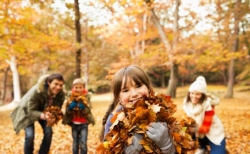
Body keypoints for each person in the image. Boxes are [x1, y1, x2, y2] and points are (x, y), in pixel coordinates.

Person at [99, 65, 176, 154]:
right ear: (119, 98)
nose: (134, 93)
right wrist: (132, 149)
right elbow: (107, 150)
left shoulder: (163, 113)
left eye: (138, 86)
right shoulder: (114, 121)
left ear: (148, 87)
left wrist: (167, 145)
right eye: (125, 90)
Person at [10, 73, 65, 154]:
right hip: (27, 111)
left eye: (60, 85)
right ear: (49, 82)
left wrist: (54, 117)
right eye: (56, 84)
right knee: (30, 135)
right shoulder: (37, 91)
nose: (58, 87)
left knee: (48, 132)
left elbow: (57, 109)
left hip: (44, 112)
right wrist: (43, 115)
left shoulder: (60, 94)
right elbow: (31, 110)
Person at [183, 76, 226, 154]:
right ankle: (202, 148)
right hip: (200, 135)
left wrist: (196, 129)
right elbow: (186, 121)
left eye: (197, 94)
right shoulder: (187, 104)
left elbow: (206, 128)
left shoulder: (208, 106)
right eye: (192, 93)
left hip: (213, 133)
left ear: (202, 95)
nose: (194, 96)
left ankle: (215, 148)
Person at [62, 78, 95, 154]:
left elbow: (88, 111)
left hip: (84, 124)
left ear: (83, 88)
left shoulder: (86, 97)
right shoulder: (70, 97)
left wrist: (83, 107)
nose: (78, 89)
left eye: (80, 87)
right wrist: (70, 108)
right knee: (75, 144)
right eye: (76, 87)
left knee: (83, 144)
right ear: (73, 88)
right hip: (74, 124)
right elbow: (67, 111)